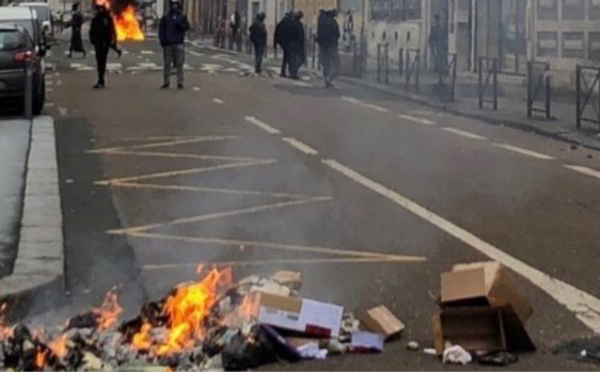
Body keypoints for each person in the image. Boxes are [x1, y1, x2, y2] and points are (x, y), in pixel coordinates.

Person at [158, 0, 190, 89]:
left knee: (179, 64)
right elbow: (161, 29)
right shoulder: (166, 17)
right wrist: (162, 40)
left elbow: (186, 27)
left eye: (176, 4)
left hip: (178, 43)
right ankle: (166, 81)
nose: (174, 6)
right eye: (173, 4)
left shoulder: (182, 16)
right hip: (168, 43)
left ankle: (180, 82)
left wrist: (180, 25)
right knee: (167, 63)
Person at [89, 4, 116, 89]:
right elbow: (92, 31)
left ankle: (101, 80)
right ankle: (101, 79)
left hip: (102, 43)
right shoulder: (105, 18)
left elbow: (111, 30)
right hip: (102, 43)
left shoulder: (103, 19)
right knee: (101, 62)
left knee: (101, 62)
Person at [317, 8, 340, 88]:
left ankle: (326, 78)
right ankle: (329, 78)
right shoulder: (333, 23)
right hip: (331, 45)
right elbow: (337, 34)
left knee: (325, 63)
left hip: (322, 45)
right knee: (335, 62)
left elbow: (319, 33)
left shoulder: (321, 21)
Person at [429, 13, 448, 84]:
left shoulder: (443, 27)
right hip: (438, 47)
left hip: (441, 47)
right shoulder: (436, 28)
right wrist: (433, 47)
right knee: (439, 62)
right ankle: (441, 77)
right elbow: (431, 39)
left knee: (441, 62)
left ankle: (442, 76)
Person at [287, 10, 305, 80]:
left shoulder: (291, 23)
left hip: (291, 43)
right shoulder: (298, 24)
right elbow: (300, 35)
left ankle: (292, 72)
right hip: (297, 44)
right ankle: (293, 72)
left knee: (293, 58)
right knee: (301, 59)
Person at [274, 12, 292, 77]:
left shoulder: (281, 23)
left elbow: (276, 33)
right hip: (288, 42)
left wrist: (275, 43)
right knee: (289, 57)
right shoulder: (289, 23)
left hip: (284, 42)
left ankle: (284, 72)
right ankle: (290, 71)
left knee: (286, 58)